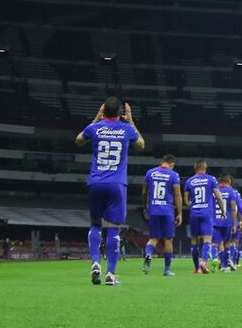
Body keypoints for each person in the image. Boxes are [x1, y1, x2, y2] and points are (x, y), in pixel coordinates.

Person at [76, 96, 145, 286]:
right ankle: (110, 274)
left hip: (96, 182)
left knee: (95, 224)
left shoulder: (95, 128)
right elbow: (141, 144)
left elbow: (79, 140)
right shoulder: (126, 129)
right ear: (121, 113)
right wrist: (131, 121)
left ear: (103, 111)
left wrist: (96, 119)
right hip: (117, 184)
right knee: (113, 228)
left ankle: (95, 262)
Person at [142, 154, 182, 277]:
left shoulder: (150, 173)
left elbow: (144, 192)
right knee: (168, 240)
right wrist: (180, 213)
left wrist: (145, 207)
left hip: (153, 209)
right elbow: (177, 195)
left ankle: (148, 255)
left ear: (162, 161)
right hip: (167, 210)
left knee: (153, 238)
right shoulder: (173, 175)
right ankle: (167, 270)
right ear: (172, 164)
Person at [184, 159, 225, 274]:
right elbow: (218, 196)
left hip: (194, 213)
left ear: (195, 167)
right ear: (205, 167)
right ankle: (204, 261)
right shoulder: (211, 179)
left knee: (194, 241)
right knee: (207, 239)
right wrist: (223, 211)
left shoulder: (189, 181)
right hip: (207, 213)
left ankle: (197, 268)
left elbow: (186, 200)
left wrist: (192, 206)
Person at [212, 174, 242, 273]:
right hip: (227, 221)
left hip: (214, 221)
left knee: (215, 243)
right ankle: (226, 266)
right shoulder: (231, 191)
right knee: (227, 243)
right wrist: (234, 223)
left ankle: (215, 259)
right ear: (229, 182)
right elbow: (234, 209)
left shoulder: (214, 190)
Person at [227, 178, 242, 269]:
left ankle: (223, 261)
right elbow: (240, 209)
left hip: (223, 221)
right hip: (235, 222)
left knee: (223, 243)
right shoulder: (237, 197)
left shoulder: (221, 191)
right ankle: (233, 262)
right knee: (235, 243)